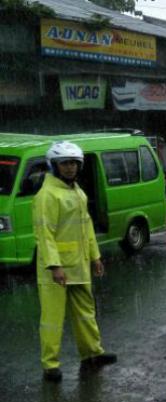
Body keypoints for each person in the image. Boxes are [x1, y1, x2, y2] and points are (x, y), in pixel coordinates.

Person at [33, 141, 117, 382]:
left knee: (86, 313)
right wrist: (54, 265)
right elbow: (44, 234)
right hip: (55, 270)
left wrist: (95, 256)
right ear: (54, 166)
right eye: (65, 163)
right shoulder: (47, 195)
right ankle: (50, 365)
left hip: (79, 265)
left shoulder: (77, 191)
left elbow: (87, 227)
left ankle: (92, 353)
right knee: (52, 319)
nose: (70, 168)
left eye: (74, 163)